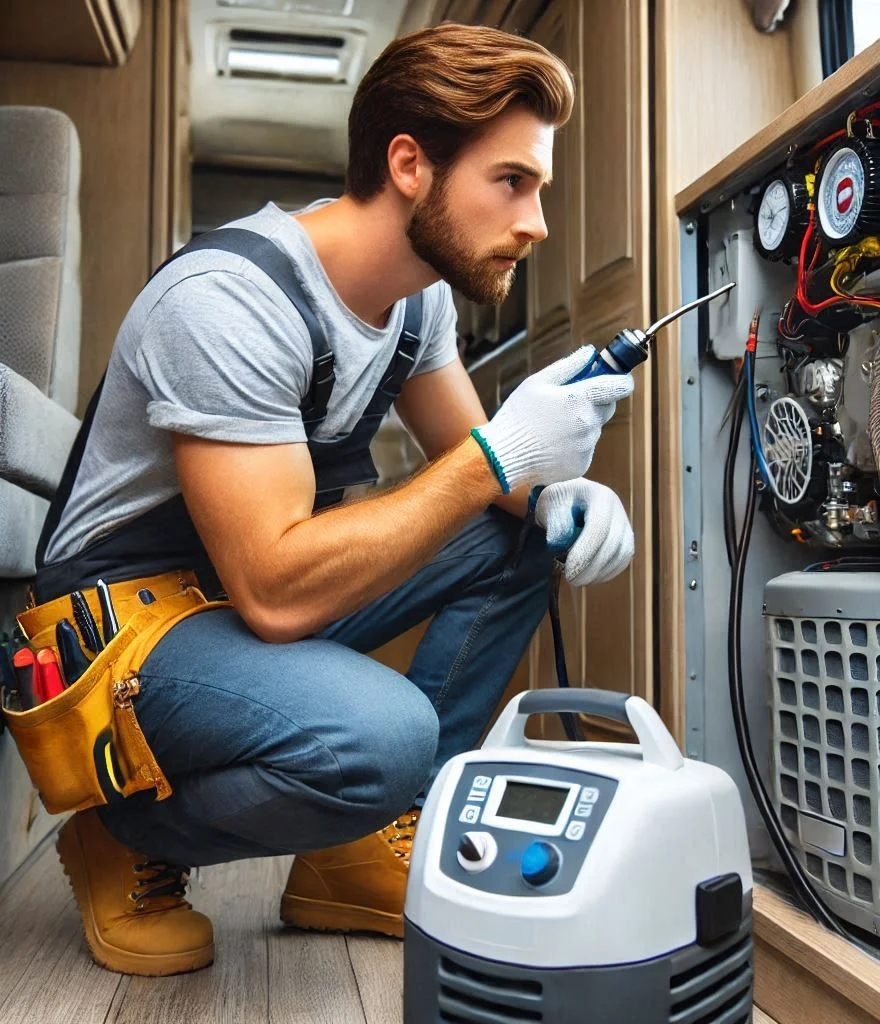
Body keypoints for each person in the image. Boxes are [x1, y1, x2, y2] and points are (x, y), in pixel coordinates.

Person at [34, 23, 635, 977]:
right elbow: (276, 591)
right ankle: (126, 828)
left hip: (229, 597)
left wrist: (565, 497)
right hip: (123, 628)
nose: (537, 223)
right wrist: (501, 459)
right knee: (381, 733)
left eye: (539, 189)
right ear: (409, 165)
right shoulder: (230, 299)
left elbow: (487, 479)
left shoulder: (417, 302)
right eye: (511, 182)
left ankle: (361, 850)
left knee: (513, 536)